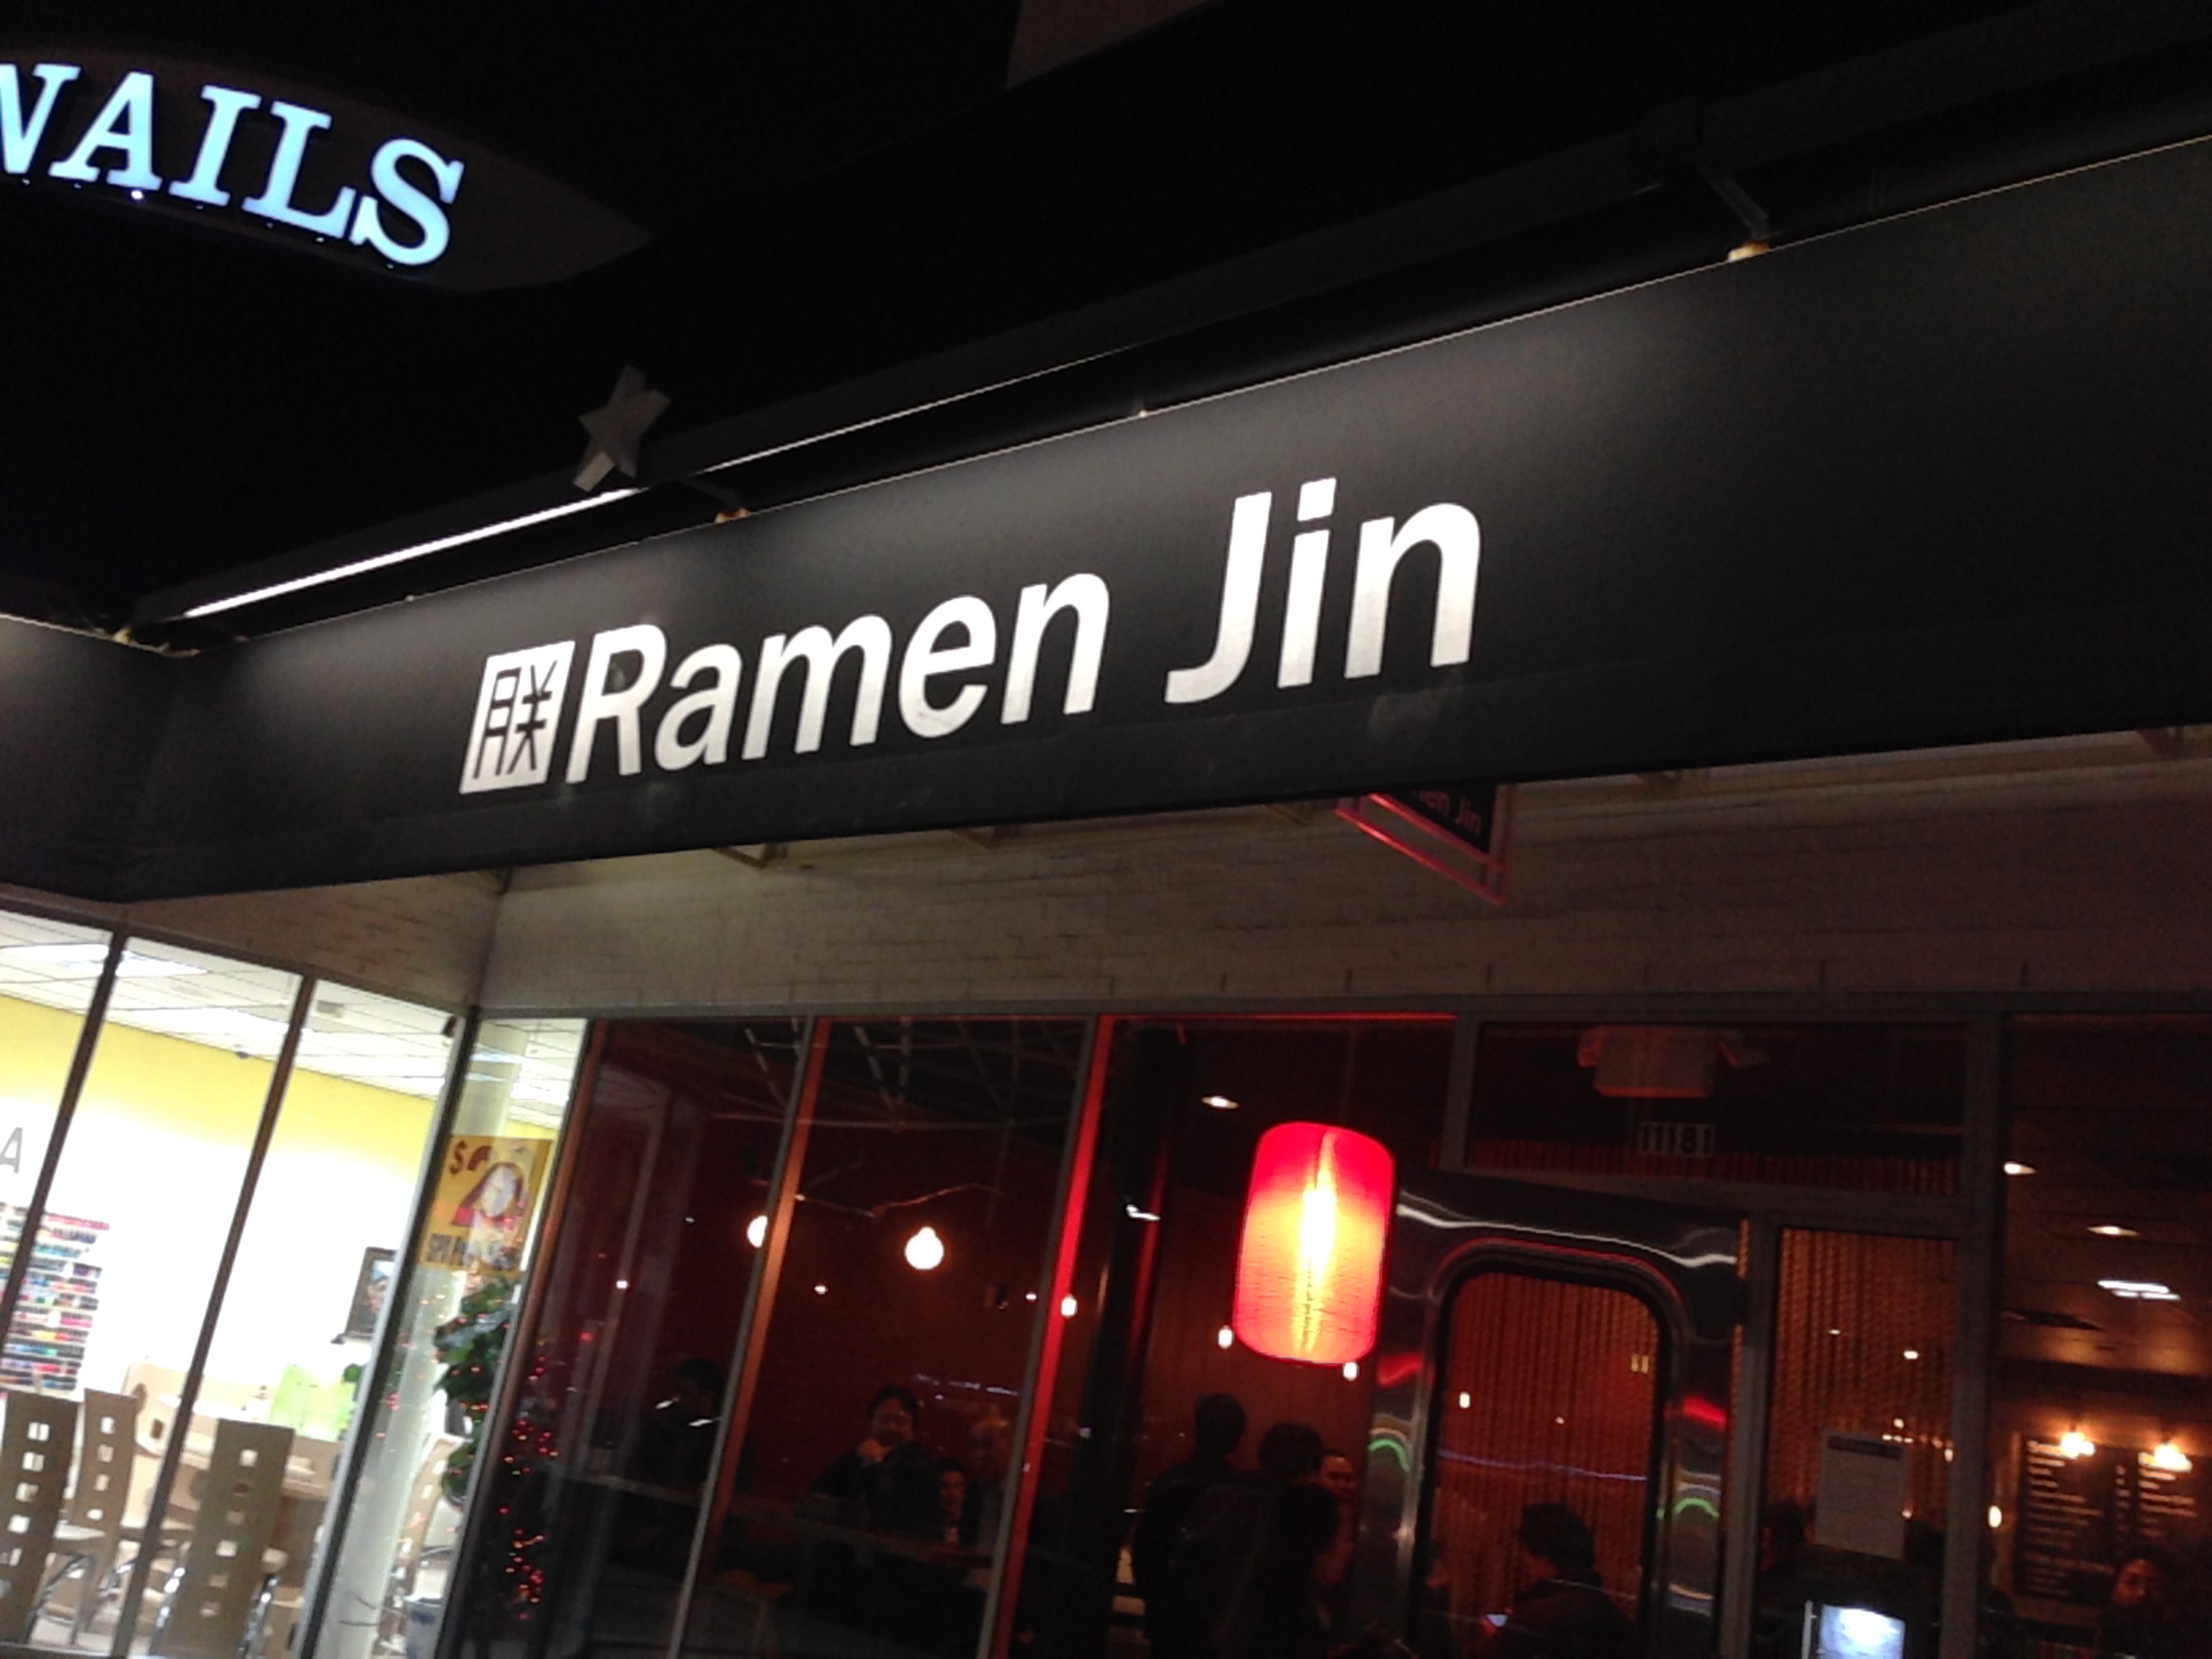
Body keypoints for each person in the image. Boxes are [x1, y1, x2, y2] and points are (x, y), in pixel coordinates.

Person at [1132, 1393, 1248, 1658]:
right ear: (1238, 1437)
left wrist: (1155, 1600)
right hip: (1216, 1618)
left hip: (1170, 1614)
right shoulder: (1239, 1491)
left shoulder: (1172, 1483)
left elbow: (1147, 1549)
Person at [1478, 1503, 1637, 1659]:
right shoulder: (1616, 1620)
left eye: (1528, 1554)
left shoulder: (1532, 1620)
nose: (1526, 1563)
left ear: (1544, 1555)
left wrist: (1498, 1638)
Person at [2098, 1544, 2181, 1659]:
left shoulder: (2179, 1646)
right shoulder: (2090, 1637)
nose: (2142, 1593)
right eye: (2132, 1583)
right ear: (2114, 1588)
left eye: (2155, 1587)